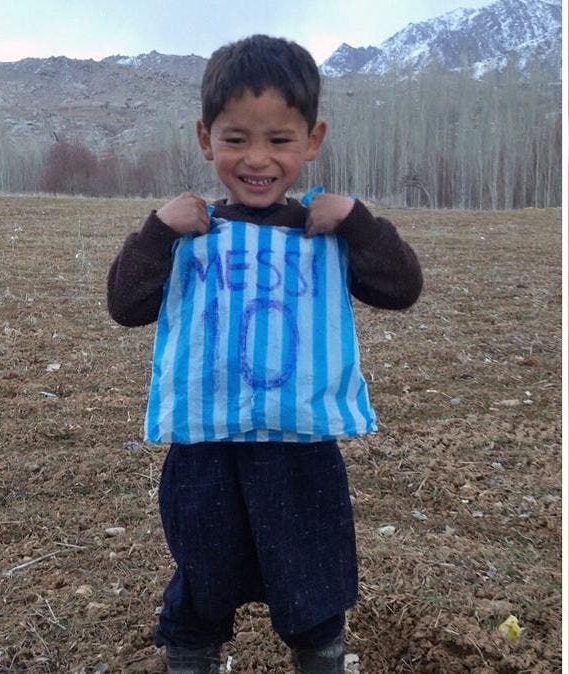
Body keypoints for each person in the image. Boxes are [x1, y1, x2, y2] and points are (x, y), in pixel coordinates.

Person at [106, 35, 422, 674]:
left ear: (313, 139)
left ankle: (323, 658)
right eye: (235, 139)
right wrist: (156, 231)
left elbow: (401, 288)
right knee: (202, 577)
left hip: (301, 454)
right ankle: (191, 657)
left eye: (279, 140)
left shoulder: (324, 231)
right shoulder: (186, 232)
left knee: (315, 582)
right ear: (205, 138)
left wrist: (359, 222)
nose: (258, 159)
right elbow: (125, 304)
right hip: (204, 452)